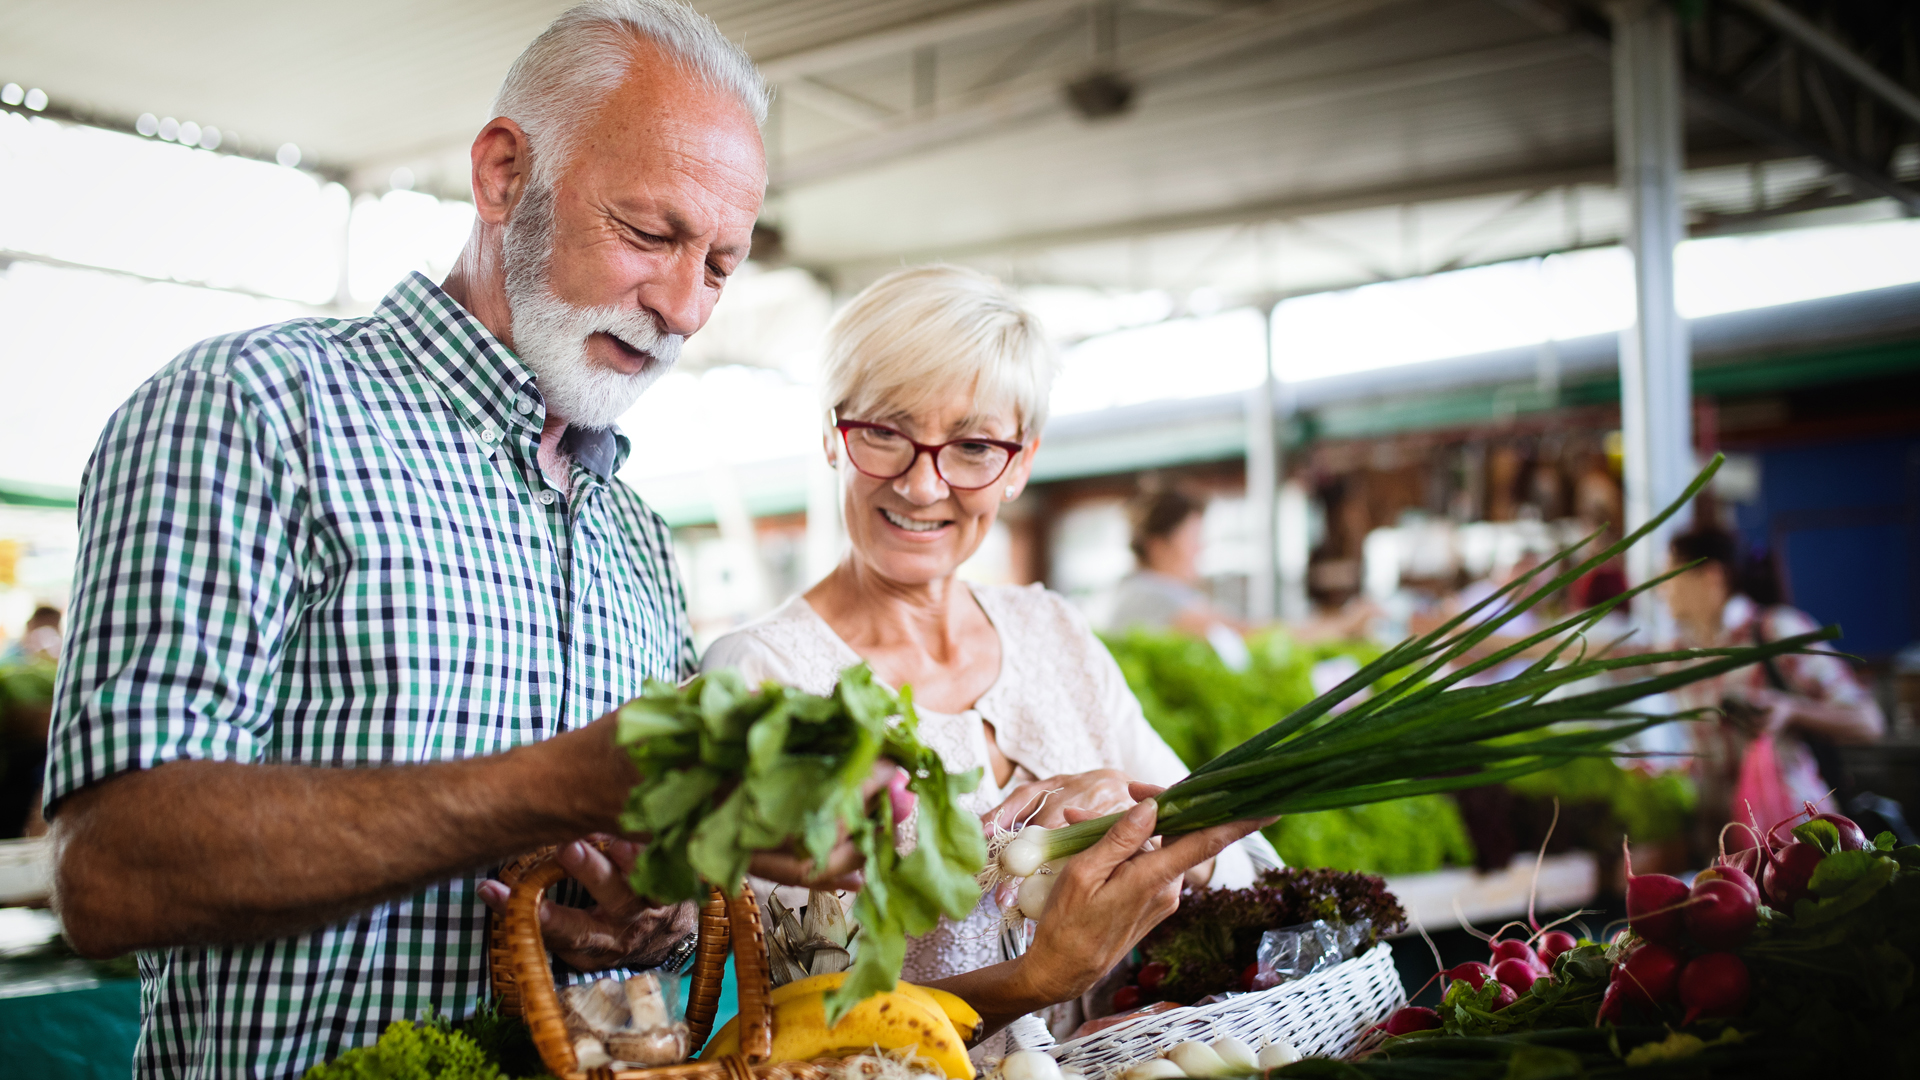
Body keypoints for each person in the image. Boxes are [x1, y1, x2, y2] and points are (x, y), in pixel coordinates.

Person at [43, 4, 866, 1075]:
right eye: (650, 233)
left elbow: (634, 869)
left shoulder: (633, 532)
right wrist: (557, 784)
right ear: (501, 174)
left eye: (719, 263)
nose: (683, 307)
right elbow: (113, 872)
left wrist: (644, 912)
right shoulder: (252, 408)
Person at [702, 267, 1278, 1056]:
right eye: (885, 432)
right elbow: (801, 1029)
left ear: (1018, 465)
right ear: (833, 433)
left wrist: (1141, 827)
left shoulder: (1053, 634)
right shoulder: (762, 676)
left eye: (972, 446)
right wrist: (1035, 982)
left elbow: (1248, 865)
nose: (922, 481)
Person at [1661, 526, 1884, 856]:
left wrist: (1791, 710)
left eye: (1670, 576)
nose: (1662, 590)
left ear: (1710, 576)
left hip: (1797, 843)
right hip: (1722, 848)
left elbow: (1869, 721)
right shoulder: (1682, 653)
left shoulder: (1775, 631)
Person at [1108, 487, 1372, 658]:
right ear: (1158, 547)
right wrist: (1341, 625)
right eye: (1192, 539)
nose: (1201, 549)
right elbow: (1246, 634)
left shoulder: (1161, 593)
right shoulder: (1144, 596)